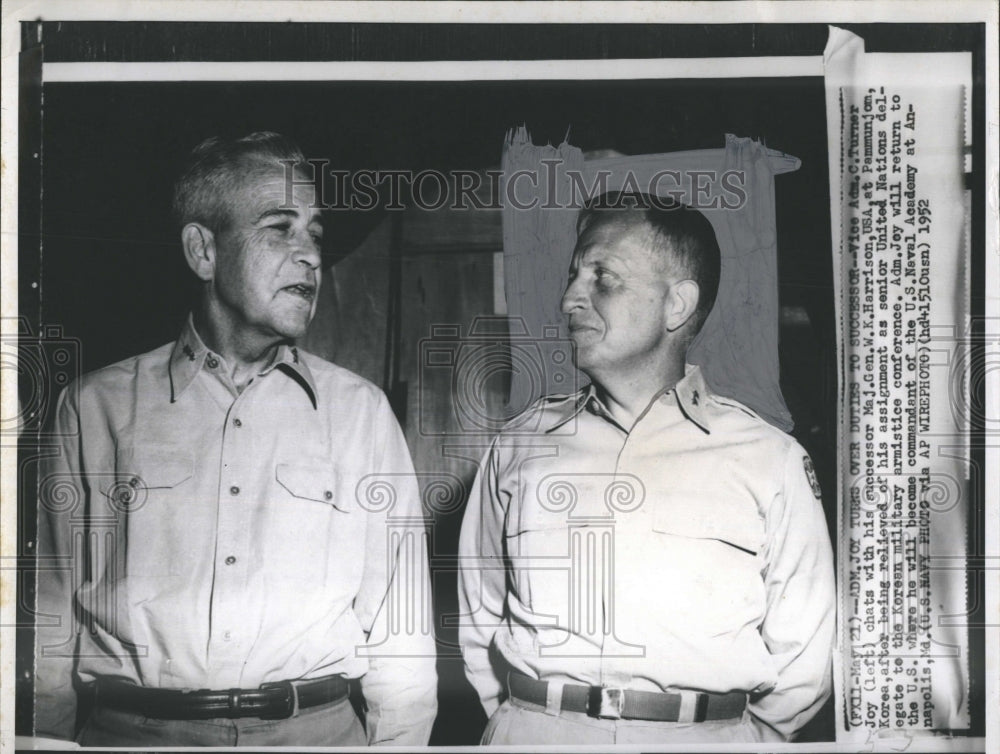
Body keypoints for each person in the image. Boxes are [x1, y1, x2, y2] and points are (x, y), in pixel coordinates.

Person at [34, 132, 437, 746]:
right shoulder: (93, 408)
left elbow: (403, 648)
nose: (310, 257)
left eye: (316, 235)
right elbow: (47, 623)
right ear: (202, 251)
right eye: (280, 228)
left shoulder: (360, 413)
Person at [458, 192, 835, 745]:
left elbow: (805, 658)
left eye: (602, 276)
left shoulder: (770, 459)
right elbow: (477, 620)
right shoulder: (520, 444)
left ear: (677, 305)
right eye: (572, 276)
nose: (568, 299)